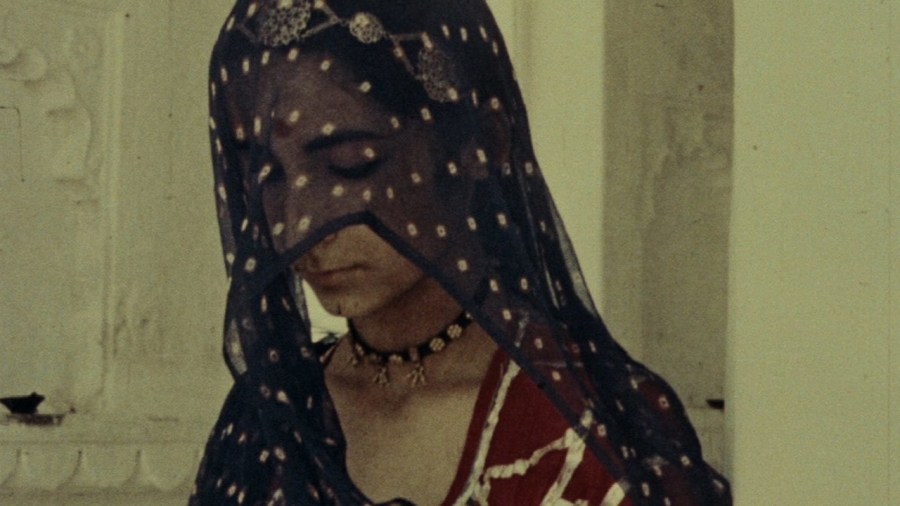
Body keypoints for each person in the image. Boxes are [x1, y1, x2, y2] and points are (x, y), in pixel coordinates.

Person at [192, 0, 731, 504]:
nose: (297, 225)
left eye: (351, 163)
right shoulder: (270, 418)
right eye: (267, 177)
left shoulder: (591, 422)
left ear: (481, 143)